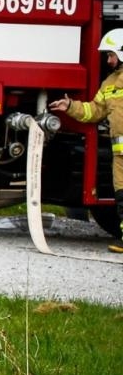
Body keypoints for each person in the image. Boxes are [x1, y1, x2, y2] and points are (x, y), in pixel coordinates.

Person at [49, 28, 123, 251]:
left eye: (111, 55)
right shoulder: (109, 83)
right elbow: (94, 111)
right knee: (121, 195)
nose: (109, 60)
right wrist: (70, 106)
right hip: (120, 154)